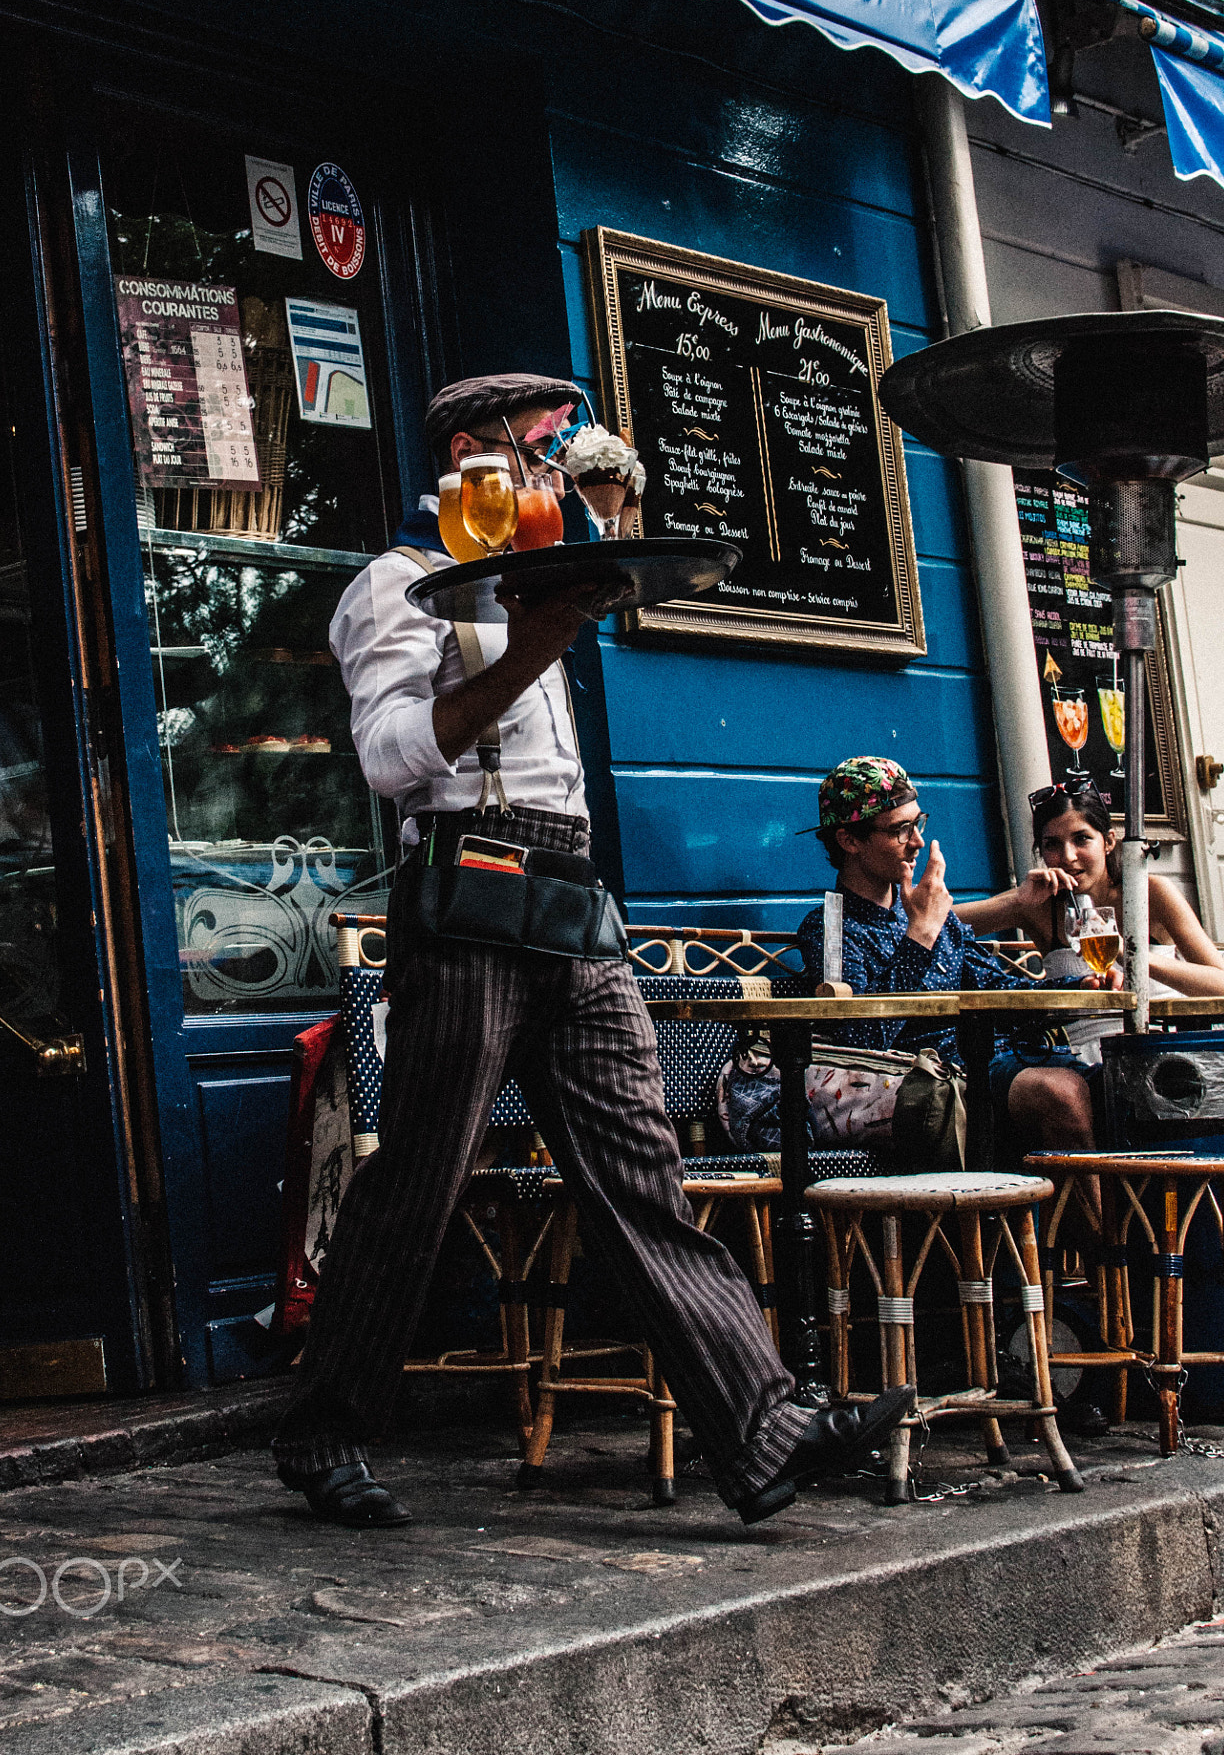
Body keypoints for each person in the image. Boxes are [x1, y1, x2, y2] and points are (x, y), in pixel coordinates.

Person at [271, 376, 912, 1530]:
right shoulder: (397, 582)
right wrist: (525, 649)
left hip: (570, 896)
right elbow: (391, 759)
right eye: (538, 451)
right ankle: (324, 1429)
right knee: (419, 1178)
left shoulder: (538, 570)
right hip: (468, 894)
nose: (556, 474)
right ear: (470, 453)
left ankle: (761, 1431)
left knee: (640, 1172)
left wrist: (557, 608)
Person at [797, 756, 1099, 1163]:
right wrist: (920, 934)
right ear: (849, 840)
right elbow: (863, 1044)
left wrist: (1076, 988)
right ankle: (1100, 1230)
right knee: (1057, 1093)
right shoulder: (830, 928)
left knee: (1120, 1086)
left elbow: (998, 990)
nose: (918, 842)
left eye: (917, 824)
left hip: (993, 1061)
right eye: (900, 830)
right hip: (928, 1084)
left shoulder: (929, 910)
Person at [957, 774, 1224, 1004]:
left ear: (1108, 842)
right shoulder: (1038, 906)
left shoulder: (1149, 893)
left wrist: (1128, 952)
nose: (1068, 856)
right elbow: (927, 926)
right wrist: (1017, 901)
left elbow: (1220, 984)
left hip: (1160, 1045)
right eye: (1052, 844)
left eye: (1081, 839)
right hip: (1077, 1057)